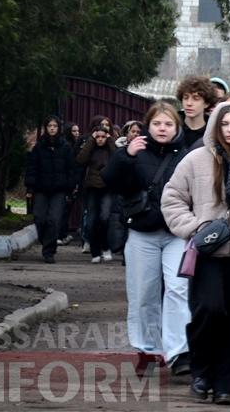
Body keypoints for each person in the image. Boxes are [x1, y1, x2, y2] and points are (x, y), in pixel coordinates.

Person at [162, 100, 230, 405]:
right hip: (207, 252)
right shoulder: (195, 160)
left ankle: (228, 384)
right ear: (215, 126)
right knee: (208, 310)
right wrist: (194, 228)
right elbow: (171, 199)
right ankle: (202, 373)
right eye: (225, 124)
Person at [101, 101, 191, 376]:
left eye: (168, 124)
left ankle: (178, 352)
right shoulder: (134, 151)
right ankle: (148, 350)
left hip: (176, 233)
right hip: (142, 232)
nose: (162, 129)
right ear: (147, 126)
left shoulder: (186, 155)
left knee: (178, 289)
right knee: (143, 293)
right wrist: (125, 155)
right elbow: (110, 181)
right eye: (157, 124)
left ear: (176, 128)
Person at [24, 115, 76, 264]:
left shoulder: (65, 147)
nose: (52, 128)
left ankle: (49, 251)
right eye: (49, 126)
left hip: (59, 190)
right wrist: (30, 187)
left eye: (55, 126)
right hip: (41, 189)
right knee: (39, 218)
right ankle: (44, 240)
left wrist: (70, 187)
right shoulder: (39, 147)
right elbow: (32, 168)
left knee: (54, 220)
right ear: (46, 128)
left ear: (59, 128)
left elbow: (71, 169)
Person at [75, 125, 119, 263]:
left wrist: (110, 141)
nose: (100, 139)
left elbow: (118, 158)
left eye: (103, 137)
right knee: (91, 221)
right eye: (98, 137)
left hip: (107, 187)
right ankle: (95, 251)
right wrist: (90, 141)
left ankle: (105, 247)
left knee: (105, 218)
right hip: (92, 187)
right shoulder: (91, 148)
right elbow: (80, 160)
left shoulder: (110, 148)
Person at [177, 75, 218, 149]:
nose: (189, 103)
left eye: (196, 98)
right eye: (185, 98)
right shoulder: (173, 127)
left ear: (206, 103)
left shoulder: (214, 131)